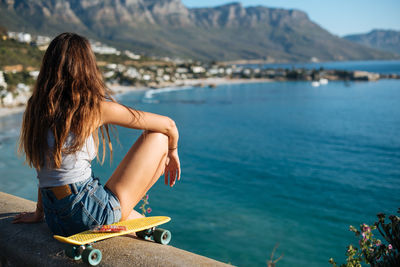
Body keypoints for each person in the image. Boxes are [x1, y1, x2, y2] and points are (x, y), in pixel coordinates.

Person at [12, 32, 181, 236]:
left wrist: (39, 213)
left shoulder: (37, 107)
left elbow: (47, 167)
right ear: (87, 67)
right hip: (86, 212)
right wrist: (172, 152)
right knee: (159, 138)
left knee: (136, 218)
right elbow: (168, 125)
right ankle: (118, 216)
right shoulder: (93, 108)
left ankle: (128, 218)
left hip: (55, 217)